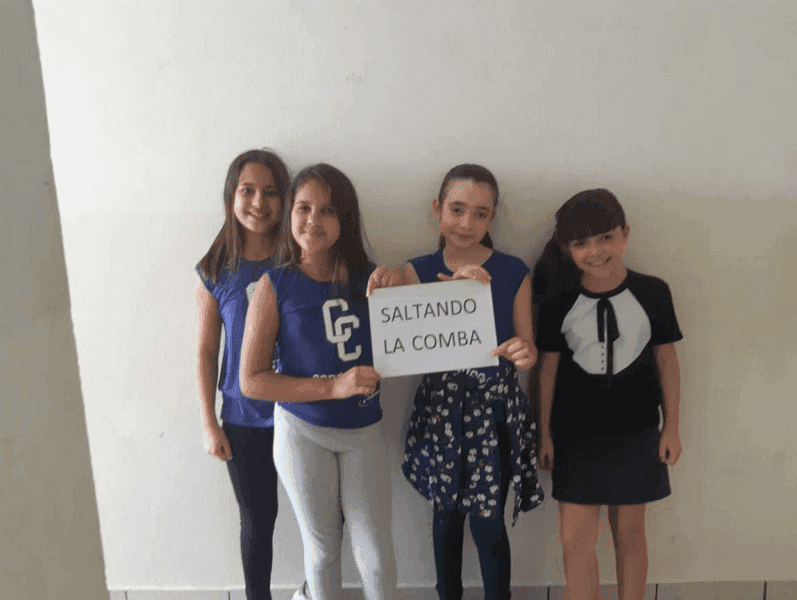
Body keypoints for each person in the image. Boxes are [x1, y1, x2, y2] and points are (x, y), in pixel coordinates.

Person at [368, 164, 544, 600]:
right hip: (442, 413)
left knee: (488, 522)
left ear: (492, 219)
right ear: (438, 209)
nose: (467, 223)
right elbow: (398, 342)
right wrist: (386, 286)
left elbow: (528, 347)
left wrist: (523, 354)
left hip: (495, 413)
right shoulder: (417, 270)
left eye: (480, 214)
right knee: (445, 518)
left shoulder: (512, 271)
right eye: (457, 209)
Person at [239, 164, 397, 600]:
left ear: (345, 218)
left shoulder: (372, 279)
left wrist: (464, 285)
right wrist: (332, 388)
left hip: (363, 431)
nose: (313, 220)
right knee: (323, 550)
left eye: (327, 210)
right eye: (303, 208)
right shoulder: (275, 284)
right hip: (302, 430)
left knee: (377, 557)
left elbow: (433, 319)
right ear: (289, 214)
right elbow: (252, 380)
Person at [533, 189, 683, 600]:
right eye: (581, 243)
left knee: (630, 535)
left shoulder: (653, 292)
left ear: (625, 235)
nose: (595, 251)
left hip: (637, 431)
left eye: (605, 238)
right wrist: (544, 434)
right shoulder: (558, 300)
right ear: (567, 248)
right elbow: (547, 370)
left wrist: (671, 427)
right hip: (574, 435)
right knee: (574, 541)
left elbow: (667, 362)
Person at [196, 149, 309, 600]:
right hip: (243, 420)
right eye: (248, 190)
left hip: (301, 412)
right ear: (231, 195)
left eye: (271, 192)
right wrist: (209, 423)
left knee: (324, 518)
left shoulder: (301, 260)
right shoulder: (217, 269)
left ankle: (313, 590)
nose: (259, 203)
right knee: (259, 522)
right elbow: (206, 352)